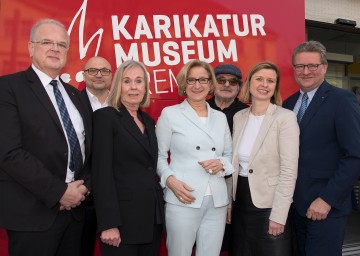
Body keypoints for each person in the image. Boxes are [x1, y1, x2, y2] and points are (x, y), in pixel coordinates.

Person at [0, 19, 92, 256]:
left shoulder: (76, 95)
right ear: (31, 48)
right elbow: (9, 152)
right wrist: (59, 192)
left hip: (75, 215)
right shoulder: (8, 88)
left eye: (62, 44)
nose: (55, 48)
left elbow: (89, 149)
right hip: (32, 215)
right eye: (47, 42)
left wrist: (82, 189)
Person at [283, 40, 360, 256]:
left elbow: (354, 156)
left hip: (326, 207)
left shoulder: (342, 100)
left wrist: (327, 199)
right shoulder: (288, 104)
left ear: (324, 67)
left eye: (312, 66)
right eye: (300, 66)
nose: (306, 71)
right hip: (294, 206)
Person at [156, 59, 234, 256]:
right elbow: (158, 156)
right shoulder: (170, 114)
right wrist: (170, 181)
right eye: (191, 80)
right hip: (184, 197)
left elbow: (229, 156)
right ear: (184, 83)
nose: (197, 85)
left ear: (210, 83)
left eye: (203, 80)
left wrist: (221, 164)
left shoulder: (220, 117)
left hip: (216, 200)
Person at [91, 60, 164, 256]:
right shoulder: (105, 117)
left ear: (146, 87)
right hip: (121, 224)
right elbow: (101, 173)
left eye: (139, 81)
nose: (133, 87)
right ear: (117, 86)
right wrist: (109, 223)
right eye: (127, 81)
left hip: (151, 220)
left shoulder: (147, 121)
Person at [228, 61, 299, 256]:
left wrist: (279, 215)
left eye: (270, 81)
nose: (264, 84)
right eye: (259, 79)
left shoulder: (285, 118)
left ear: (275, 86)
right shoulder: (239, 117)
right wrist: (229, 203)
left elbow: (289, 170)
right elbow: (233, 164)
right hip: (241, 202)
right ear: (249, 83)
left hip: (269, 205)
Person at [80, 56, 112, 256]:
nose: (99, 75)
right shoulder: (72, 101)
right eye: (93, 70)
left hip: (116, 194)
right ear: (84, 75)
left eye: (104, 70)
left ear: (111, 76)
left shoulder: (122, 103)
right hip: (83, 195)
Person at [207, 64, 249, 135]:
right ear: (212, 84)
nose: (227, 85)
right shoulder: (201, 108)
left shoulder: (247, 113)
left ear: (239, 87)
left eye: (232, 82)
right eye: (221, 80)